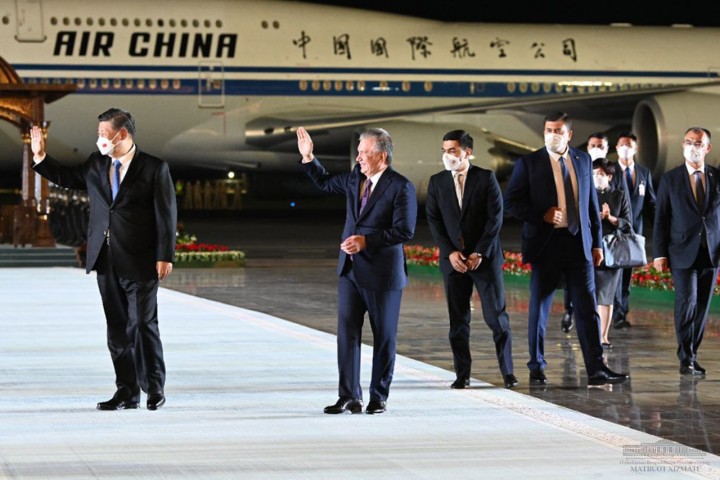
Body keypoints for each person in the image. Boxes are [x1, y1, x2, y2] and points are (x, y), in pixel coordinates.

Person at [30, 108, 177, 411]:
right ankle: (127, 391)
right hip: (105, 258)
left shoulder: (153, 168)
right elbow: (68, 178)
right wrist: (41, 157)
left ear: (122, 134)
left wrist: (165, 255)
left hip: (141, 259)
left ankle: (154, 388)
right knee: (117, 330)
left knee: (142, 324)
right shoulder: (97, 164)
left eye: (103, 133)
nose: (99, 139)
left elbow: (166, 215)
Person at [296, 126, 417, 414]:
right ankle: (349, 395)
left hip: (383, 274)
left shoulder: (401, 186)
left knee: (383, 337)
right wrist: (309, 157)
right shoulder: (355, 178)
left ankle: (378, 397)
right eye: (359, 152)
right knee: (346, 336)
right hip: (350, 272)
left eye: (364, 152)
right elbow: (325, 182)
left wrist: (366, 241)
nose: (358, 157)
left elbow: (405, 230)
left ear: (382, 156)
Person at [503, 111, 629, 386]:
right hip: (546, 245)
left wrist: (596, 243)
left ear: (569, 135)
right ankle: (537, 366)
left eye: (558, 131)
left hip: (578, 245)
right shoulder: (529, 163)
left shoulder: (583, 160)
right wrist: (542, 214)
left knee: (587, 308)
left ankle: (596, 368)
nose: (553, 135)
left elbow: (591, 206)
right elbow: (510, 202)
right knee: (540, 308)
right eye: (549, 130)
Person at [425, 130, 517, 390]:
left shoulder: (486, 178)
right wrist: (450, 252)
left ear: (467, 152)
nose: (447, 155)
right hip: (454, 262)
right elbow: (434, 220)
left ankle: (508, 372)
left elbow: (495, 218)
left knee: (496, 317)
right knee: (458, 321)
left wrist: (480, 252)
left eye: (452, 150)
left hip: (484, 260)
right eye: (444, 151)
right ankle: (462, 374)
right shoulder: (437, 182)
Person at [653, 127, 719, 376]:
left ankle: (692, 353)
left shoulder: (716, 176)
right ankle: (686, 357)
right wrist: (659, 253)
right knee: (687, 301)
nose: (693, 147)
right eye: (689, 142)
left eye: (698, 143)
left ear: (707, 148)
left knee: (702, 305)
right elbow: (661, 218)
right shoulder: (670, 179)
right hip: (681, 251)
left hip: (711, 251)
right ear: (682, 145)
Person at [561, 132, 612, 334]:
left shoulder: (610, 171)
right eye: (593, 145)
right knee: (572, 278)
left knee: (595, 285)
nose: (596, 148)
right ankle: (569, 310)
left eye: (600, 145)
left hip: (603, 237)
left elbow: (620, 196)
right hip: (577, 233)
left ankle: (597, 331)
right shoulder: (578, 165)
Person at [611, 131, 656, 329]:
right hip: (614, 231)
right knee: (614, 273)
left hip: (634, 233)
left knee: (627, 275)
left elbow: (651, 202)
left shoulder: (644, 173)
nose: (625, 148)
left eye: (629, 145)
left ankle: (622, 312)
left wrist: (659, 227)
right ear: (616, 148)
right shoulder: (611, 171)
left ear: (636, 149)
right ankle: (613, 312)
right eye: (622, 145)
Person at [592, 158, 632, 348]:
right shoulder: (586, 194)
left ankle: (603, 336)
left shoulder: (619, 195)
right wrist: (596, 218)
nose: (596, 177)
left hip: (612, 252)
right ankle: (591, 333)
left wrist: (611, 218)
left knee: (607, 296)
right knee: (591, 294)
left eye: (600, 174)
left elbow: (627, 223)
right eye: (593, 174)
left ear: (609, 176)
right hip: (590, 249)